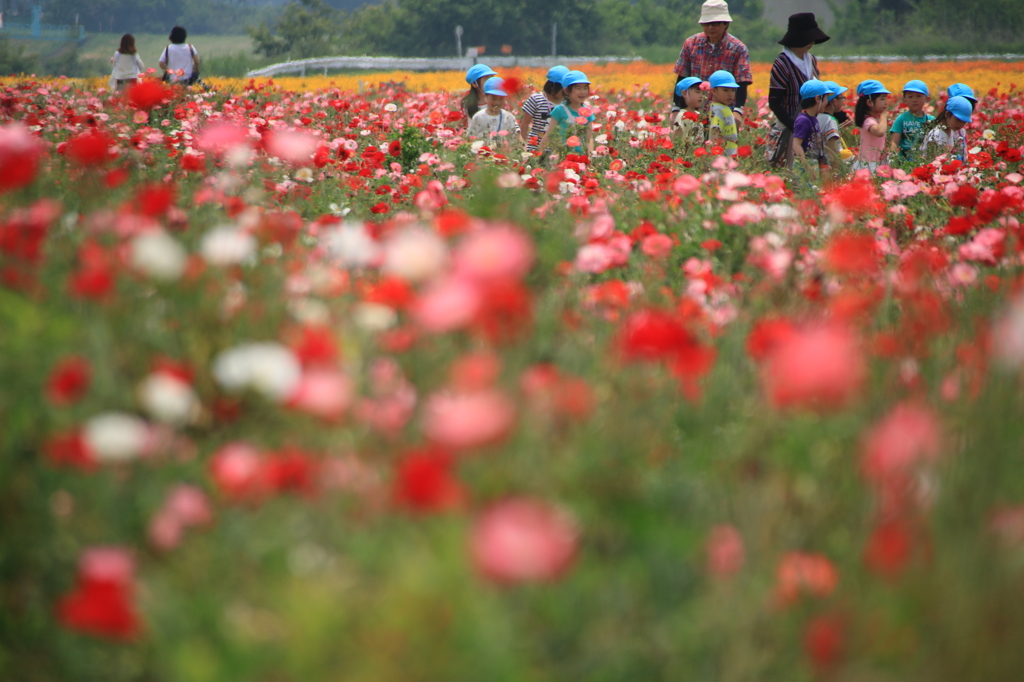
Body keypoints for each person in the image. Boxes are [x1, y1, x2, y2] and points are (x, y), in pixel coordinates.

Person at [765, 13, 830, 168]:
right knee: (790, 169)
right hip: (790, 125)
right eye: (808, 39)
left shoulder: (811, 60)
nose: (812, 43)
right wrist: (796, 126)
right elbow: (774, 102)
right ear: (797, 38)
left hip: (810, 125)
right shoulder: (782, 63)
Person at [672, 0, 752, 122]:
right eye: (706, 24)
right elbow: (682, 78)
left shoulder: (738, 49)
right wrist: (676, 109)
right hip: (694, 113)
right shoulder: (691, 44)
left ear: (726, 24)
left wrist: (738, 111)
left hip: (724, 113)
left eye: (715, 24)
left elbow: (742, 82)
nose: (710, 28)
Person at [535, 70, 595, 159]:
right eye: (578, 88)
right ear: (567, 91)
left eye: (585, 88)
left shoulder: (587, 112)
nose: (582, 92)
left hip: (579, 156)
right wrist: (538, 155)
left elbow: (589, 138)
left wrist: (590, 157)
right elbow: (549, 133)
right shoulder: (560, 110)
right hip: (561, 155)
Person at [791, 79, 830, 184]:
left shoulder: (813, 118)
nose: (827, 102)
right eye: (826, 98)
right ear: (818, 99)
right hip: (804, 164)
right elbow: (796, 144)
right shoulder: (803, 120)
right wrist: (805, 165)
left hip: (812, 163)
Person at [521, 65, 567, 152]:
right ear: (553, 87)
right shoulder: (536, 99)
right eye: (563, 89)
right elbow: (525, 123)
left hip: (556, 147)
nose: (566, 92)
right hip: (535, 146)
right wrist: (522, 144)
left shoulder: (566, 102)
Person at [889, 80, 934, 161]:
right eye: (910, 97)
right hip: (903, 161)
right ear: (904, 100)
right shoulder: (901, 118)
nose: (914, 100)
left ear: (927, 99)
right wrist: (894, 158)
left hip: (924, 160)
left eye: (918, 96)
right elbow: (894, 142)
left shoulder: (931, 120)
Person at [468, 77, 521, 145]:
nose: (497, 102)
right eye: (493, 98)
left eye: (501, 99)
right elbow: (470, 138)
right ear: (484, 97)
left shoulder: (508, 117)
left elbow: (516, 137)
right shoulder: (478, 117)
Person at [853, 80, 891, 173]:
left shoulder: (874, 120)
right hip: (868, 165)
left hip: (876, 163)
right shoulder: (868, 121)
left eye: (885, 99)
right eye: (882, 99)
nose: (886, 103)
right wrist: (883, 117)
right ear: (870, 102)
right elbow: (880, 132)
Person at [921, 96, 972, 161]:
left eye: (964, 121)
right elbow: (930, 161)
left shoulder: (951, 131)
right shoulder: (936, 134)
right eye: (958, 119)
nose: (961, 124)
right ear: (947, 114)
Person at [818, 81, 851, 167]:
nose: (844, 102)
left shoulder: (817, 117)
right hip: (829, 166)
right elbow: (833, 150)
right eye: (842, 98)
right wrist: (836, 171)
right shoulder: (830, 121)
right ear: (835, 101)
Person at [707, 70, 739, 156]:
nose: (730, 94)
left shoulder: (722, 107)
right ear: (713, 91)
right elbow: (715, 129)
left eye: (733, 90)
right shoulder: (719, 110)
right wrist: (715, 152)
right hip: (724, 153)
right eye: (726, 90)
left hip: (729, 150)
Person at [672, 76, 706, 150]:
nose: (701, 96)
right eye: (697, 92)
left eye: (702, 93)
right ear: (684, 94)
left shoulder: (698, 115)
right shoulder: (682, 115)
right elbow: (677, 138)